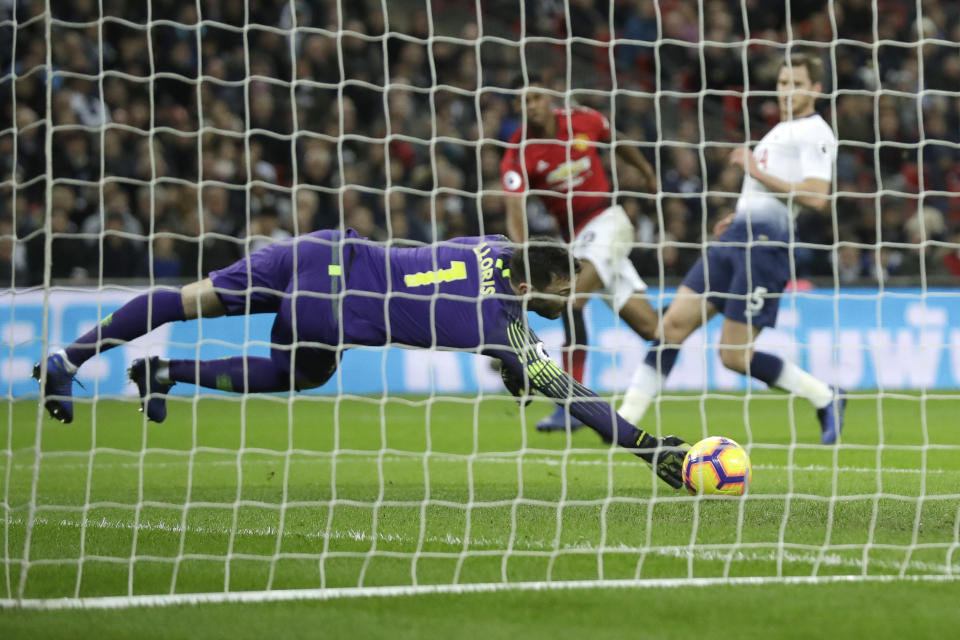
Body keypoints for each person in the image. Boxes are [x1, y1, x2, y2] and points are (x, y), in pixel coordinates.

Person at [33, 229, 691, 489]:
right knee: (304, 372)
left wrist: (511, 362)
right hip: (336, 308)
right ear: (525, 287)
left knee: (186, 300)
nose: (566, 303)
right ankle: (169, 373)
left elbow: (482, 294)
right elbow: (573, 396)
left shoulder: (495, 247)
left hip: (315, 249)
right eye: (558, 295)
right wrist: (649, 448)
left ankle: (77, 358)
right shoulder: (504, 323)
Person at [618, 53, 847, 444]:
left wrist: (756, 172)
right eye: (782, 83)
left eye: (796, 83)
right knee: (671, 326)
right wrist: (740, 216)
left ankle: (825, 396)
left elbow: (817, 196)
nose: (787, 91)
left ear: (816, 89)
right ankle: (623, 422)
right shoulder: (779, 132)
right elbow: (775, 193)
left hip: (765, 250)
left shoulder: (816, 132)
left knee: (733, 356)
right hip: (735, 239)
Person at [501, 73, 659, 433]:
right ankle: (698, 306)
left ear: (549, 98)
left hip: (609, 221)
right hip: (577, 240)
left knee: (569, 298)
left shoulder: (582, 119)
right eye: (524, 101)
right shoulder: (519, 151)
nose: (532, 105)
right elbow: (515, 207)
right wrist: (524, 254)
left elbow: (616, 140)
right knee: (655, 328)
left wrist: (647, 173)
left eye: (537, 97)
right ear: (517, 108)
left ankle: (571, 405)